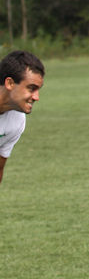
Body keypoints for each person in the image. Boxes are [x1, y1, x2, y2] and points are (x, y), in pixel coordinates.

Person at [0, 50, 46, 187]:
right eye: (31, 88)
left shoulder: (17, 121)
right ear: (10, 83)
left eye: (38, 90)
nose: (36, 97)